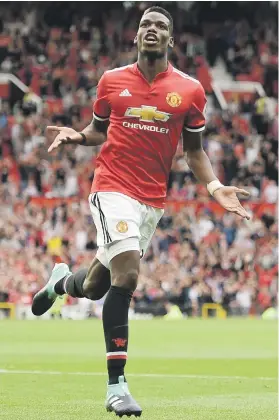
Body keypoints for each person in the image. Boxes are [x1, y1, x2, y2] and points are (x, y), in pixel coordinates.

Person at [31, 6, 250, 417]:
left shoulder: (189, 90)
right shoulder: (112, 80)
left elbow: (194, 150)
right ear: (135, 37)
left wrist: (216, 186)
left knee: (97, 286)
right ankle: (117, 387)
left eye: (161, 26)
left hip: (151, 200)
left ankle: (61, 283)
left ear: (171, 40)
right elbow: (99, 129)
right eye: (145, 25)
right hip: (112, 186)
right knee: (128, 273)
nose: (152, 30)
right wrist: (78, 136)